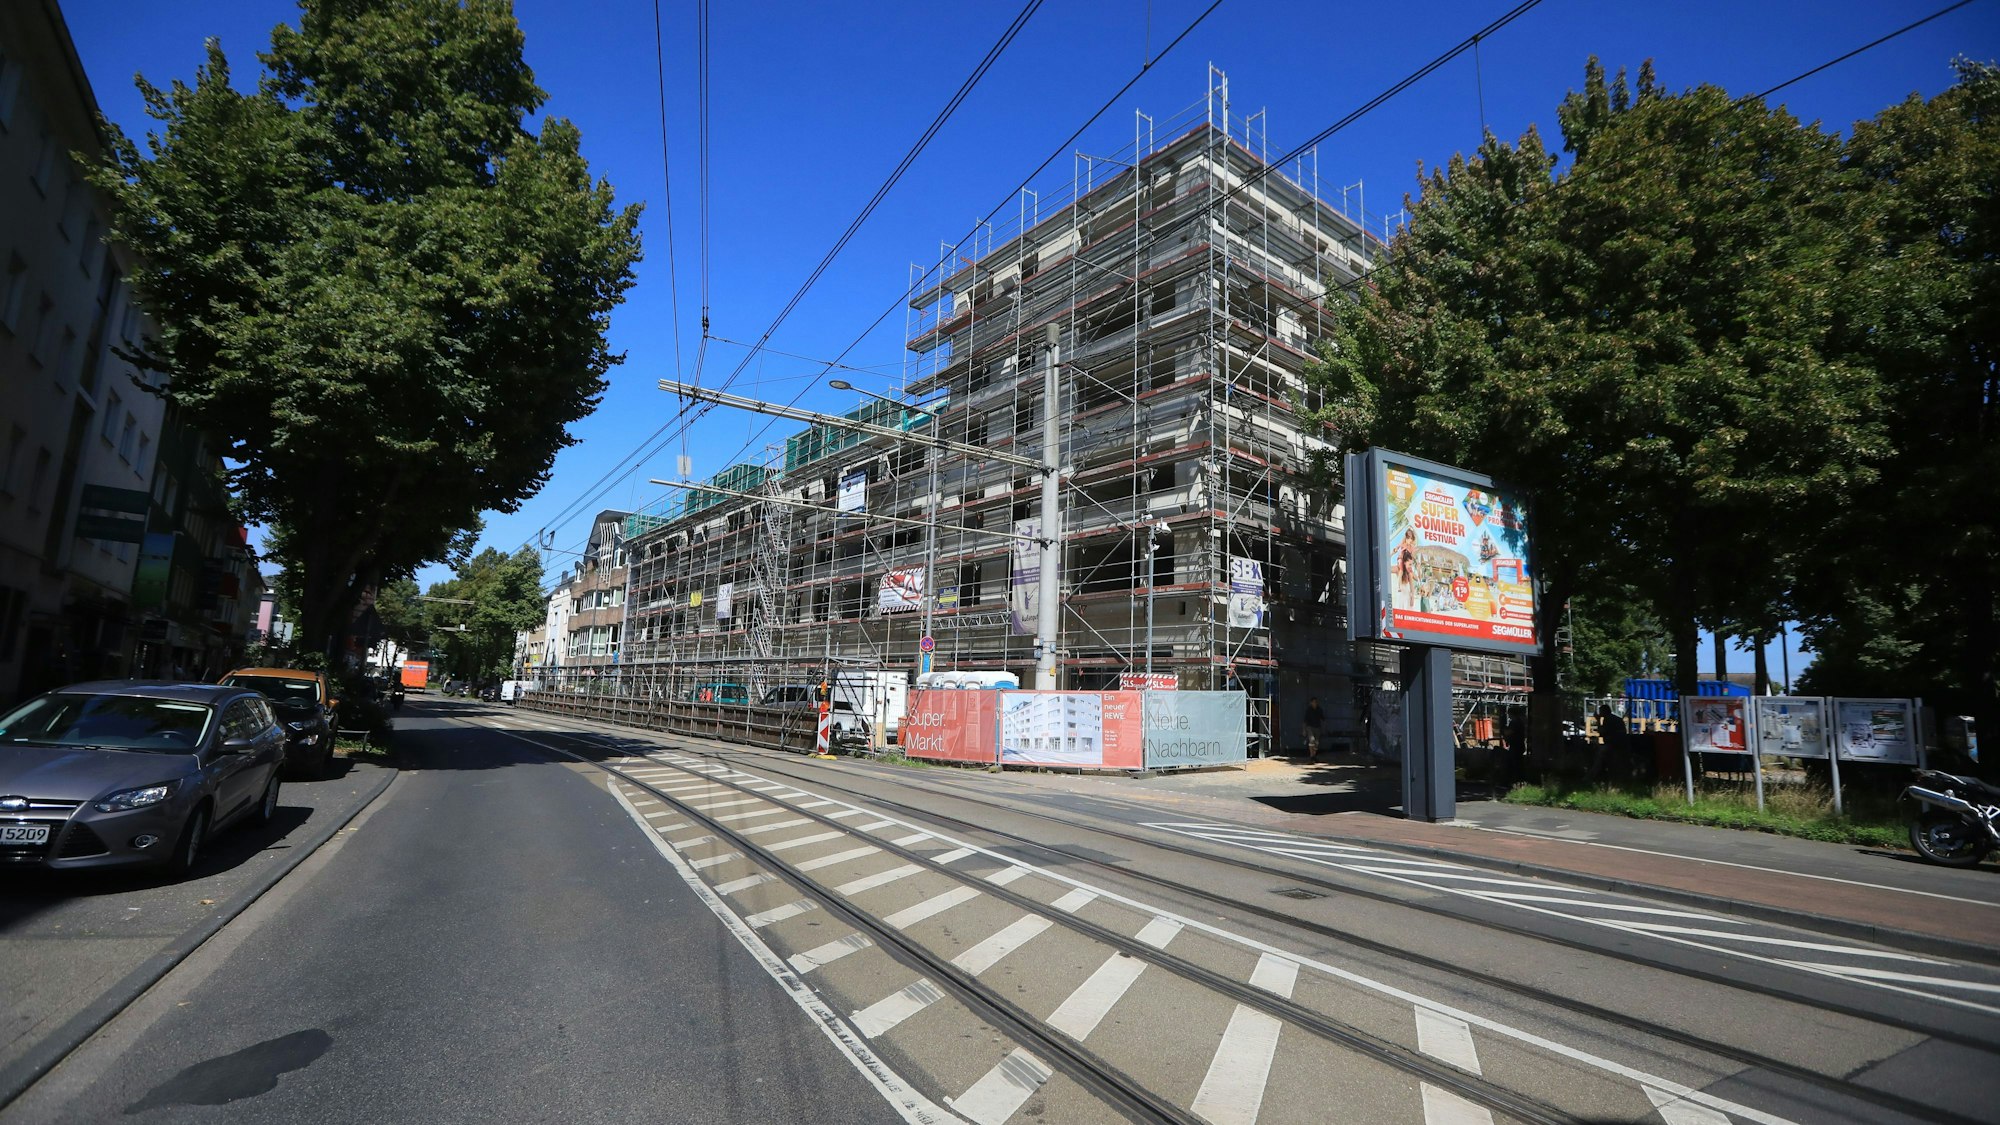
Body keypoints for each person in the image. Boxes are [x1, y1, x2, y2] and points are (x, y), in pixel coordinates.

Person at [1303, 695, 1325, 761]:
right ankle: (1311, 755)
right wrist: (1304, 730)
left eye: (1316, 702)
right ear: (1311, 703)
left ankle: (1314, 756)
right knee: (1312, 740)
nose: (1315, 703)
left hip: (1317, 727)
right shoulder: (1308, 710)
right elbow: (1305, 721)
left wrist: (1324, 728)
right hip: (1310, 727)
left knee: (1317, 743)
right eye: (1314, 702)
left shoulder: (1319, 709)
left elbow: (1323, 719)